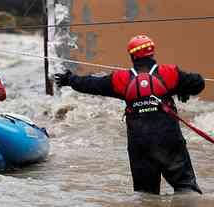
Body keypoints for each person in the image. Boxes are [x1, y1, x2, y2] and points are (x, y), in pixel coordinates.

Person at [54, 35, 205, 195]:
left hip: (140, 145)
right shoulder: (170, 73)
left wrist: (69, 79)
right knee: (186, 189)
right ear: (152, 53)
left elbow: (91, 84)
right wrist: (182, 89)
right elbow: (198, 83)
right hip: (169, 141)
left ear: (132, 56)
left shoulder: (120, 79)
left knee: (145, 196)